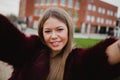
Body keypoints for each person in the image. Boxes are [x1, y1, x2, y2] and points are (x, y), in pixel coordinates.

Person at [0, 7, 120, 80]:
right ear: (42, 34)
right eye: (48, 31)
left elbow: (101, 58)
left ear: (69, 31)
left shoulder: (76, 60)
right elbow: (8, 37)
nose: (53, 36)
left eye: (59, 29)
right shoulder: (30, 50)